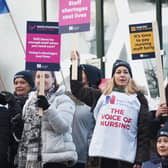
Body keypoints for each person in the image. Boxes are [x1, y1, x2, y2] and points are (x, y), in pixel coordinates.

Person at [70, 52, 150, 168]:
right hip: (99, 157)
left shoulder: (138, 99)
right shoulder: (101, 95)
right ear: (113, 77)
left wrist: (139, 160)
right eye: (118, 72)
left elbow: (144, 131)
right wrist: (75, 65)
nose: (122, 75)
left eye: (125, 72)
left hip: (124, 157)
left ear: (130, 76)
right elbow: (77, 89)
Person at [18, 71, 77, 168]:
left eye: (46, 76)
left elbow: (63, 128)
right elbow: (25, 134)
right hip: (30, 159)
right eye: (38, 77)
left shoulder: (63, 99)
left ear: (53, 79)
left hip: (54, 159)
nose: (42, 80)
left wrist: (48, 108)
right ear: (34, 80)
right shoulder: (30, 101)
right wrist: (18, 127)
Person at [69, 61, 102, 168]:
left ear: (89, 76)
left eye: (81, 72)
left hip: (86, 157)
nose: (78, 75)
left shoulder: (97, 99)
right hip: (68, 155)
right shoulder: (68, 98)